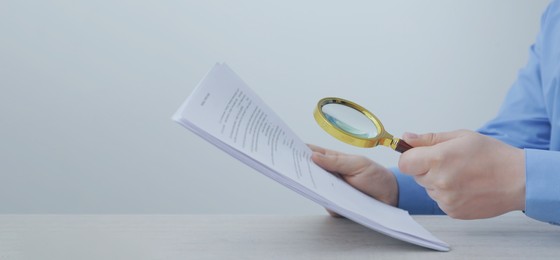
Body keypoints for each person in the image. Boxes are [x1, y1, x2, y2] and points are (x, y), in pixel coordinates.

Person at [310, 0, 560, 225]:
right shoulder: (555, 16)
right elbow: (518, 141)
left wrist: (522, 177)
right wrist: (393, 189)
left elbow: (515, 166)